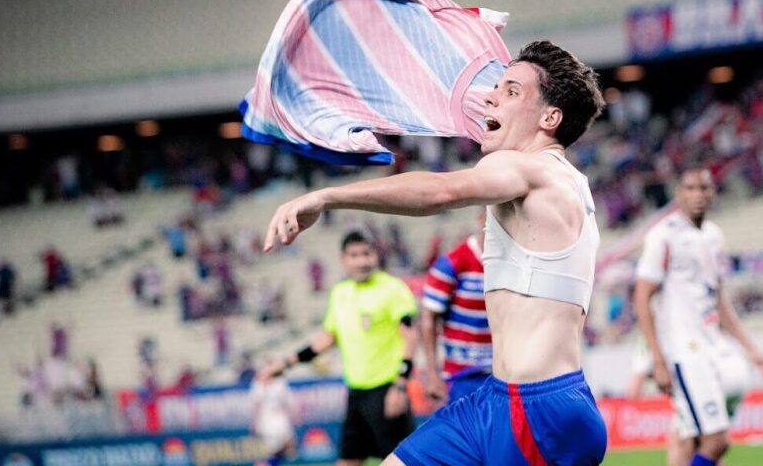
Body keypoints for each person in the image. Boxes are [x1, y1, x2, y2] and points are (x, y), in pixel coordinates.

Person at [262, 41, 607, 465]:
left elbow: (441, 192)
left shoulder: (528, 167)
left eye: (511, 90)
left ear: (550, 119)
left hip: (537, 411)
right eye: (496, 87)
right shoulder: (568, 183)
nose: (491, 96)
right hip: (499, 398)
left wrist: (326, 196)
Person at [634, 166, 763, 466]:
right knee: (716, 441)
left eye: (704, 188)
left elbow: (718, 300)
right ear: (678, 194)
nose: (697, 195)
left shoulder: (713, 236)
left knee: (688, 438)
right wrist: (657, 359)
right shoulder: (663, 236)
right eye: (690, 188)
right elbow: (642, 296)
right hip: (685, 352)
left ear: (713, 193)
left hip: (714, 346)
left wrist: (751, 348)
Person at [260, 231, 419, 465]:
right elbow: (327, 338)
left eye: (366, 253)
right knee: (347, 461)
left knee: (402, 462)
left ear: (376, 255)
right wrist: (284, 364)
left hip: (387, 391)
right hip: (356, 394)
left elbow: (410, 336)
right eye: (354, 255)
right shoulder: (340, 293)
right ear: (343, 259)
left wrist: (400, 385)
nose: (362, 261)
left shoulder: (392, 288)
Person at [421, 209, 492, 406]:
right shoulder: (453, 262)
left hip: (503, 376)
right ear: (482, 219)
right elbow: (428, 318)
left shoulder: (514, 263)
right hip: (462, 377)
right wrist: (432, 374)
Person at [251, 375, 296, 466]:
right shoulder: (258, 385)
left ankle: (266, 463)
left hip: (280, 419)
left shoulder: (280, 383)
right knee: (273, 449)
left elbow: (287, 402)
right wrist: (255, 423)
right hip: (266, 422)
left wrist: (293, 415)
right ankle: (265, 463)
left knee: (288, 448)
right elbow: (256, 405)